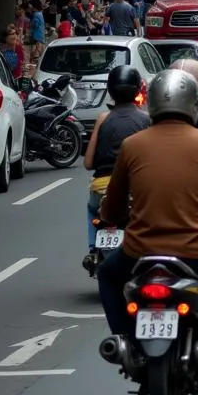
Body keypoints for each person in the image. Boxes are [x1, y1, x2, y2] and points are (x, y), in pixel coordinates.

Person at [97, 69, 198, 367]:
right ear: (194, 105)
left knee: (106, 272)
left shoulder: (132, 145)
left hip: (138, 252)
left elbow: (113, 207)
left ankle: (122, 339)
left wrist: (112, 216)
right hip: (196, 252)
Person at [81, 66, 151, 270]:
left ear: (110, 91)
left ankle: (93, 249)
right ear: (138, 90)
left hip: (102, 188)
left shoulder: (103, 118)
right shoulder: (146, 119)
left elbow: (88, 163)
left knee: (93, 210)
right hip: (134, 188)